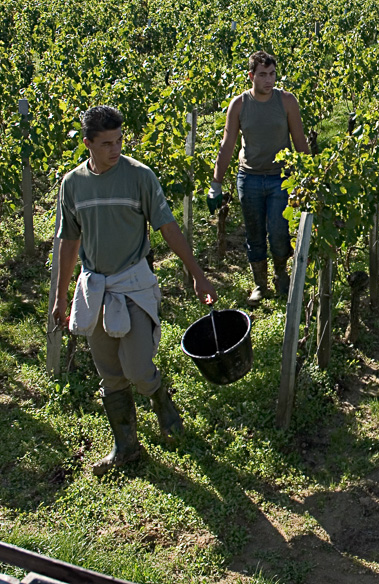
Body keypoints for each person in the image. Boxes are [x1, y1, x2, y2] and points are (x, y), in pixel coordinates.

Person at [53, 106, 217, 475]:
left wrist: (197, 274)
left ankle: (161, 401)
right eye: (106, 143)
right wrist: (61, 296)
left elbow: (168, 226)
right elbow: (69, 241)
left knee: (139, 368)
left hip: (133, 284)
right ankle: (126, 445)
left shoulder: (139, 177)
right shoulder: (73, 184)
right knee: (110, 373)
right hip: (95, 287)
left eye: (120, 141)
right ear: (87, 144)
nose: (116, 149)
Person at [209, 50, 310, 304]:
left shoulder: (286, 101)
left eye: (272, 74)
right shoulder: (240, 104)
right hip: (250, 179)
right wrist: (216, 183)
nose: (269, 80)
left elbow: (299, 140)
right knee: (254, 234)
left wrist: (311, 176)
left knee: (278, 232)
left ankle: (281, 275)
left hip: (280, 179)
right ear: (251, 76)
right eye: (263, 75)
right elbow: (228, 144)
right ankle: (260, 284)